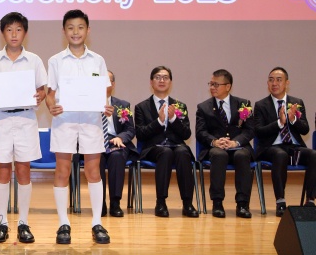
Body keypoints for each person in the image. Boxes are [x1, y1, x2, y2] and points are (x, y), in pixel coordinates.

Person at [46, 9, 113, 244]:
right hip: (64, 121)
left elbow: (104, 91)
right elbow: (50, 93)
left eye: (80, 27)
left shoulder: (98, 60)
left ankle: (97, 222)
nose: (76, 32)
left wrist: (106, 106)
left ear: (88, 30)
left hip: (91, 122)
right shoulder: (55, 60)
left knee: (93, 172)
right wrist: (51, 106)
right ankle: (63, 223)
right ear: (64, 31)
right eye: (71, 28)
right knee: (62, 171)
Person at [0, 12, 47, 244]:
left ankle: (23, 223)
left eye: (18, 29)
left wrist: (39, 95)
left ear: (25, 33)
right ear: (3, 33)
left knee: (23, 171)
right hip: (0, 120)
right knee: (2, 171)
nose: (14, 34)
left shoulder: (34, 60)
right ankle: (2, 223)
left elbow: (42, 90)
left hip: (25, 119)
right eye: (9, 30)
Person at [134, 66, 199, 218]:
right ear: (151, 82)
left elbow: (186, 134)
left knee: (183, 152)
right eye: (157, 77)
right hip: (153, 149)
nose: (161, 80)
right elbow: (141, 134)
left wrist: (173, 119)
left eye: (165, 77)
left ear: (170, 82)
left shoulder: (179, 106)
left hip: (177, 145)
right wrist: (158, 121)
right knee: (166, 152)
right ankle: (161, 202)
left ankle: (187, 203)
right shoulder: (141, 107)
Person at [254, 67, 316, 216]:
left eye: (278, 80)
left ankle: (310, 200)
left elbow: (305, 130)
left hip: (293, 147)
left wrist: (293, 119)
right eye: (271, 80)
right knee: (280, 154)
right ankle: (280, 201)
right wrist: (279, 123)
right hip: (270, 148)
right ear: (267, 83)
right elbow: (259, 131)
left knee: (314, 155)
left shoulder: (297, 102)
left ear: (287, 83)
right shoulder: (261, 105)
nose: (274, 83)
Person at [195, 69, 254, 219]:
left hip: (238, 146)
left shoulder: (243, 104)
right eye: (211, 84)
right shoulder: (203, 107)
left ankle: (242, 204)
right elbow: (200, 132)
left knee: (242, 155)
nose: (212, 87)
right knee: (219, 155)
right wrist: (214, 141)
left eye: (216, 84)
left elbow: (249, 130)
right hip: (216, 148)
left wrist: (236, 142)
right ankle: (217, 203)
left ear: (228, 86)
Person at [100, 70, 138, 218]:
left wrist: (120, 137)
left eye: (107, 80)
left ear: (113, 84)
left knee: (117, 156)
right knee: (97, 159)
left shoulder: (122, 105)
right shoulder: (88, 104)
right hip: (96, 142)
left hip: (116, 142)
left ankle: (115, 203)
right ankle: (99, 203)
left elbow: (130, 129)